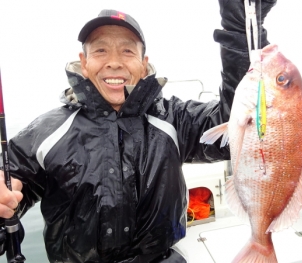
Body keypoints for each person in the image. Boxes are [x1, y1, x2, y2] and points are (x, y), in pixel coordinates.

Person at [0, 1, 276, 262]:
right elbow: (11, 180)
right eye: (100, 51)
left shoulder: (175, 119)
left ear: (144, 64)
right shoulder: (47, 131)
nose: (114, 62)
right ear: (84, 62)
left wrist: (240, 25)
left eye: (127, 51)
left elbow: (241, 123)